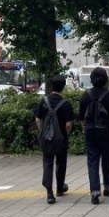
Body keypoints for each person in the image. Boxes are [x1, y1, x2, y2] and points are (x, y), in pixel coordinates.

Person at [79, 67, 109, 205]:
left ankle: (95, 191)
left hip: (91, 132)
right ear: (106, 80)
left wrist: (84, 130)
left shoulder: (86, 96)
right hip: (106, 133)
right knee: (107, 160)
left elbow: (81, 117)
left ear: (91, 79)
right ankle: (108, 185)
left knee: (92, 161)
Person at [35, 75, 75, 204]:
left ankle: (49, 193)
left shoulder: (43, 101)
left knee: (48, 163)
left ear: (51, 86)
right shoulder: (66, 104)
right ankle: (60, 187)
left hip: (47, 138)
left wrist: (43, 131)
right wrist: (64, 134)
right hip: (61, 138)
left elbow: (38, 119)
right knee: (61, 162)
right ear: (63, 87)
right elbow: (69, 124)